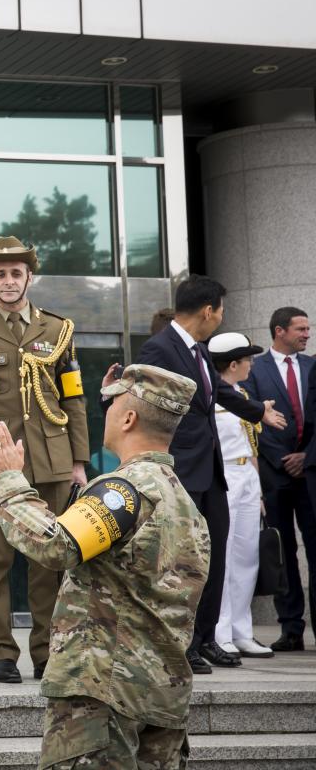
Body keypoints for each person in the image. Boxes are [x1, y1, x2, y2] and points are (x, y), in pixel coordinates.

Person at [0, 364, 208, 768]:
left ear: (128, 418)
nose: (104, 412)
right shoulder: (183, 501)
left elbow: (56, 547)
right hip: (160, 692)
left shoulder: (125, 490)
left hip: (105, 693)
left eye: (113, 404)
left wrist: (10, 481)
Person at [0, 235, 89, 683]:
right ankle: (1, 653)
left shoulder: (59, 329)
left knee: (50, 561)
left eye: (16, 273)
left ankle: (46, 651)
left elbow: (74, 398)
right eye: (0, 273)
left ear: (29, 277)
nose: (9, 281)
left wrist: (79, 459)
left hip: (51, 459)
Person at [121, 274, 286, 673]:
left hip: (211, 471)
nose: (221, 317)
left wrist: (258, 411)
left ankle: (207, 637)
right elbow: (141, 396)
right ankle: (185, 643)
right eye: (221, 311)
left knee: (211, 555)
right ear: (208, 311)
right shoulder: (160, 348)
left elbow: (217, 391)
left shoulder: (195, 349)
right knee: (183, 561)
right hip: (180, 469)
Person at [245, 306, 314, 652]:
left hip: (311, 472)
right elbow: (252, 418)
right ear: (279, 331)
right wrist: (281, 459)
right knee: (282, 550)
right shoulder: (255, 370)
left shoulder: (313, 366)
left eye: (307, 328)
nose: (307, 334)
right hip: (274, 475)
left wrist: (306, 457)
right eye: (300, 329)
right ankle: (291, 629)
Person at [210, 333, 273, 658]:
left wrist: (258, 490)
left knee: (247, 555)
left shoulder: (243, 394)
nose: (251, 364)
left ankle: (241, 630)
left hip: (247, 476)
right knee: (223, 556)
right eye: (247, 359)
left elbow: (252, 448)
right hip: (225, 477)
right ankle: (220, 633)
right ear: (233, 364)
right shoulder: (215, 396)